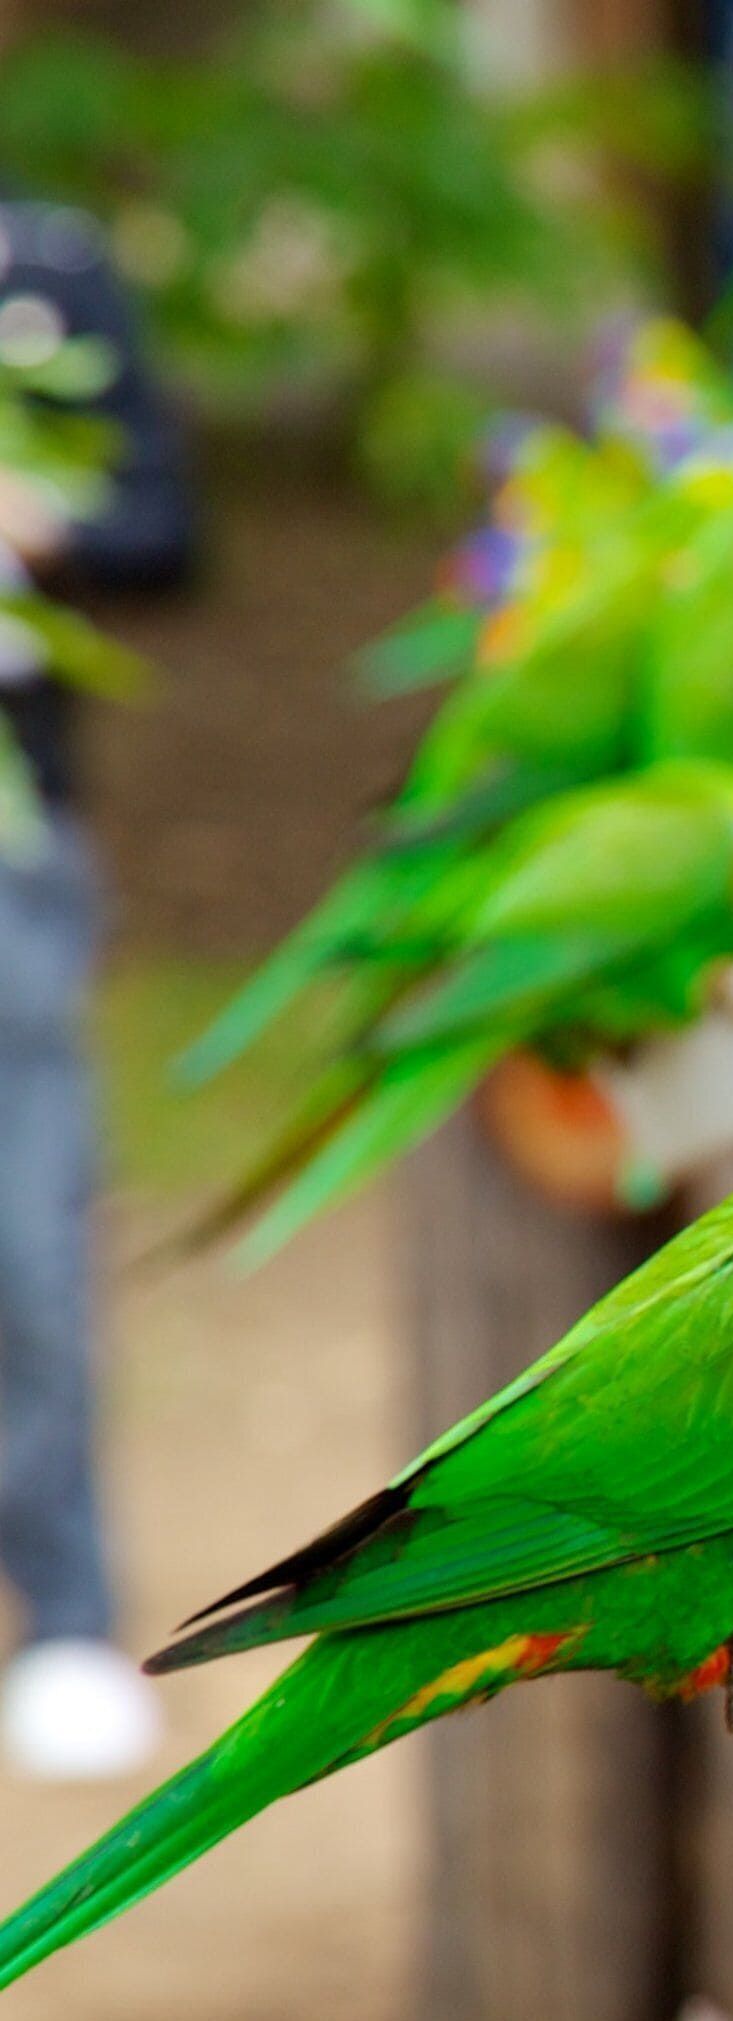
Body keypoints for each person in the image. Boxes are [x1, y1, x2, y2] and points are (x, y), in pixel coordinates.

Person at [0, 189, 193, 1781]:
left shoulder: (50, 265)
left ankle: (66, 1610)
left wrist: (36, 520)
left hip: (15, 841)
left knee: (26, 1237)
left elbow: (168, 525)